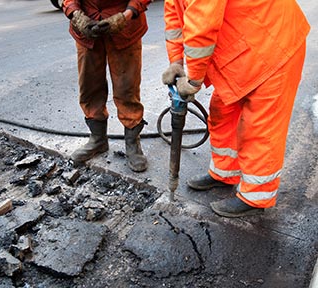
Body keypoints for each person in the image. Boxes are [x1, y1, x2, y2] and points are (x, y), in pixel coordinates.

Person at [162, 0, 310, 217]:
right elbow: (174, 19)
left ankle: (256, 196)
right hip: (244, 45)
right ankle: (224, 173)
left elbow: (202, 25)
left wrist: (193, 79)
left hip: (273, 43)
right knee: (222, 112)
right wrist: (176, 62)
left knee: (260, 128)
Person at [62, 0, 152, 172]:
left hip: (125, 27)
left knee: (127, 87)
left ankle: (132, 142)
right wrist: (76, 15)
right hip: (86, 28)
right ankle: (98, 139)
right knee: (89, 85)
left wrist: (125, 16)